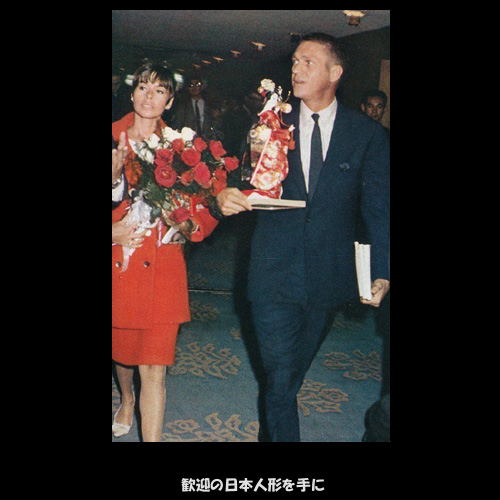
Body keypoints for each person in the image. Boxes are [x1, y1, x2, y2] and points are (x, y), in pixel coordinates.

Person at [216, 33, 390, 442]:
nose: (296, 69)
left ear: (335, 72)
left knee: (289, 378)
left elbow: (379, 210)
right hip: (273, 271)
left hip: (328, 276)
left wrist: (382, 270)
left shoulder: (366, 134)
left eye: (308, 62)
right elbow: (239, 180)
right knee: (279, 378)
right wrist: (223, 195)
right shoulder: (268, 124)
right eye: (294, 61)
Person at [112, 63, 219, 442]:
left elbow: (205, 205)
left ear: (170, 101)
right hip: (120, 265)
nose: (149, 96)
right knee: (124, 354)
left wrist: (190, 225)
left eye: (159, 90)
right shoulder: (111, 139)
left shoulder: (182, 147)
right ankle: (127, 398)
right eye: (143, 87)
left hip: (164, 269)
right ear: (131, 93)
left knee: (154, 368)